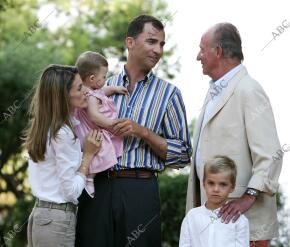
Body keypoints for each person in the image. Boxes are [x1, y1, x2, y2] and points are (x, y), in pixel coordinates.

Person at [75, 15, 192, 247]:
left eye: (161, 44)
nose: (158, 50)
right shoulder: (99, 88)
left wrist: (143, 132)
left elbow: (184, 154)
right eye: (151, 41)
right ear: (130, 42)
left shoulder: (169, 94)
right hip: (95, 187)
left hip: (140, 191)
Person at [186, 23, 282, 247]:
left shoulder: (249, 90)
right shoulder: (214, 91)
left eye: (202, 49)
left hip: (244, 223)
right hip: (211, 222)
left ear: (217, 51)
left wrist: (248, 197)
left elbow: (271, 155)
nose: (197, 56)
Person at [24, 64, 102, 247]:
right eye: (79, 88)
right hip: (57, 219)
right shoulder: (64, 133)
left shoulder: (46, 128)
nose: (86, 92)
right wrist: (88, 156)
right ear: (63, 96)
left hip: (41, 215)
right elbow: (71, 192)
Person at [74, 51, 127, 197]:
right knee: (101, 148)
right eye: (104, 76)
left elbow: (104, 90)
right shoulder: (91, 97)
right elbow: (95, 116)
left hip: (89, 128)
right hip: (93, 129)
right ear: (92, 78)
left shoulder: (91, 90)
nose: (106, 79)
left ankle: (90, 175)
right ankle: (90, 177)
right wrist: (112, 125)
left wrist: (114, 88)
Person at [180, 155, 249, 247]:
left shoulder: (239, 221)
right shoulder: (192, 217)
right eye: (211, 183)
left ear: (232, 187)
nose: (216, 189)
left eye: (223, 184)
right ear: (204, 183)